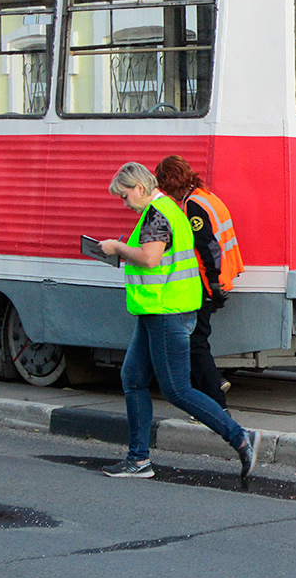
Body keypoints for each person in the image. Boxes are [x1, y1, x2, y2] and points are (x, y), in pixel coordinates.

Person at [98, 162, 260, 480]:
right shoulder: (169, 208)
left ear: (140, 189)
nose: (124, 203)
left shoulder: (157, 214)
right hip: (161, 310)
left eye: (125, 196)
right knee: (132, 378)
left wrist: (117, 247)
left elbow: (150, 258)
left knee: (177, 390)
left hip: (166, 312)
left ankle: (240, 437)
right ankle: (138, 460)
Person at [155, 155, 244, 411]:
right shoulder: (207, 196)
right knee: (197, 339)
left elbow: (207, 247)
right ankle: (213, 383)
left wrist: (213, 285)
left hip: (207, 283)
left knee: (195, 342)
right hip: (218, 279)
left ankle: (215, 400)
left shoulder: (193, 205)